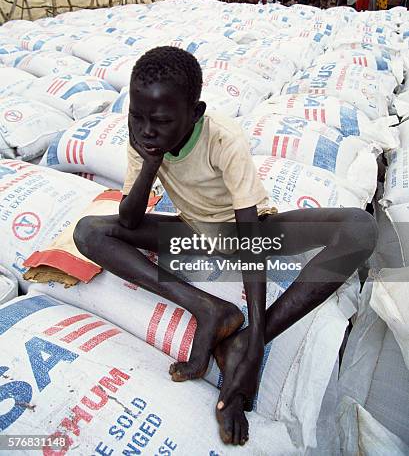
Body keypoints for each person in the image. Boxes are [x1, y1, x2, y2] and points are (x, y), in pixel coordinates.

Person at [73, 46, 377, 446]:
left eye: (161, 121)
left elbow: (251, 238)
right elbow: (129, 218)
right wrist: (150, 162)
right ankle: (208, 307)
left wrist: (253, 347)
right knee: (89, 231)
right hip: (192, 232)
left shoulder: (222, 138)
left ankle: (246, 336)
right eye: (137, 116)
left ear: (194, 113)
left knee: (360, 228)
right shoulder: (144, 139)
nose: (147, 130)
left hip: (250, 230)